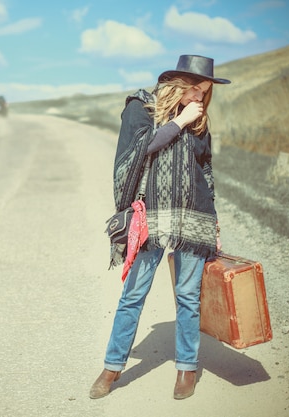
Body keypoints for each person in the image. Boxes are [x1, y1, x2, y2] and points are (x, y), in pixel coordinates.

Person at [90, 55, 230, 400]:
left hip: (193, 216)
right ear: (179, 83)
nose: (200, 98)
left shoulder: (199, 119)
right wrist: (180, 120)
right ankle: (111, 367)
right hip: (151, 216)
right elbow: (140, 150)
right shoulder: (141, 107)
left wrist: (213, 220)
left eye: (206, 92)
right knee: (133, 295)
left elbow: (205, 169)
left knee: (187, 297)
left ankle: (186, 368)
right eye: (196, 89)